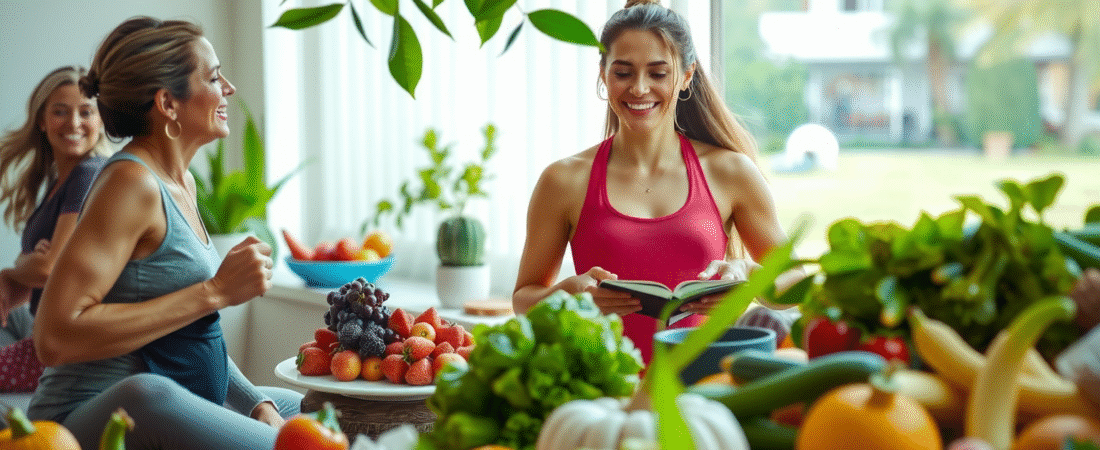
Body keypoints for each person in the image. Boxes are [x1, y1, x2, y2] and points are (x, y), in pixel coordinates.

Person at [27, 17, 301, 449]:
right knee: (149, 395)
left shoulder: (182, 184)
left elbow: (190, 331)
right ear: (168, 104)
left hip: (172, 395)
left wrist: (255, 403)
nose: (227, 88)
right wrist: (215, 291)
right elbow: (54, 338)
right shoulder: (131, 184)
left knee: (314, 411)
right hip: (83, 416)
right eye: (212, 77)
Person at [512, 0, 802, 365]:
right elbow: (524, 298)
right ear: (603, 73)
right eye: (623, 73)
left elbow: (796, 288)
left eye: (658, 73)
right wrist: (569, 295)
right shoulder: (563, 180)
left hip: (702, 388)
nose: (639, 88)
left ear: (686, 75)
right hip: (603, 390)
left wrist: (747, 274)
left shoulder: (731, 172)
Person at [0, 66, 111, 392]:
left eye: (85, 112)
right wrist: (13, 276)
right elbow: (35, 280)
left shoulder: (88, 173)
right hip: (44, 327)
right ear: (42, 120)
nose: (74, 123)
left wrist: (19, 267)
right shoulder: (58, 179)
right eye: (60, 112)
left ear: (100, 119)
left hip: (65, 348)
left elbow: (48, 268)